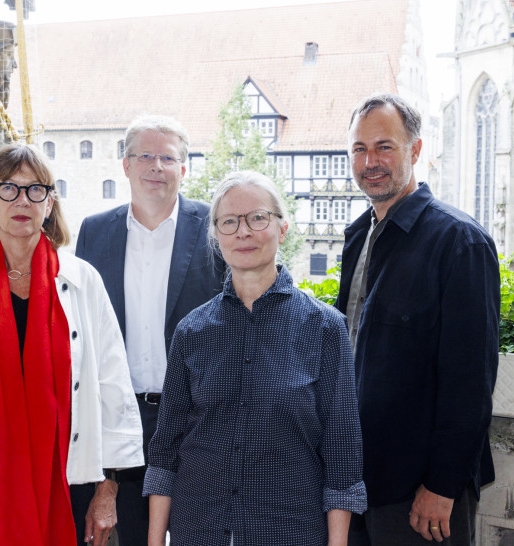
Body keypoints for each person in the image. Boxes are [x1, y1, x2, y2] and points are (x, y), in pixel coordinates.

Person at [0, 144, 143, 546]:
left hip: (73, 476)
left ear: (50, 204)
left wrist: (108, 490)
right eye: (8, 189)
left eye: (36, 190)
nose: (23, 201)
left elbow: (113, 385)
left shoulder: (83, 281)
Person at [144, 170, 367, 546]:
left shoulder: (325, 329)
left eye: (257, 218)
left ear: (281, 229)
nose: (243, 231)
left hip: (289, 530)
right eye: (229, 221)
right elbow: (165, 451)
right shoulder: (191, 332)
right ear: (216, 236)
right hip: (199, 530)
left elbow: (342, 453)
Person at [337, 93, 500, 545]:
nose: (370, 161)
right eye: (359, 148)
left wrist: (442, 485)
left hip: (420, 493)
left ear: (415, 151)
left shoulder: (459, 242)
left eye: (384, 146)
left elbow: (470, 379)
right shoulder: (358, 238)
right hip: (356, 480)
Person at [75, 114, 226, 544]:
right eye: (145, 156)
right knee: (136, 535)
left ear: (184, 167)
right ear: (125, 165)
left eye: (168, 157)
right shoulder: (95, 231)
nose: (156, 166)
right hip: (123, 417)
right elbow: (83, 332)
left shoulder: (215, 227)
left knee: (201, 532)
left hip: (198, 417)